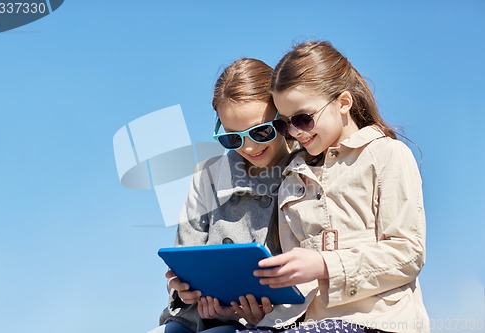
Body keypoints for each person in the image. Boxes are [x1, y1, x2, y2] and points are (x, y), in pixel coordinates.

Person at [240, 41, 430, 333]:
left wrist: (324, 264)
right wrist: (260, 308)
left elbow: (408, 254)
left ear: (343, 102)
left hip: (375, 321)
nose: (295, 132)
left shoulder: (387, 155)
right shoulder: (292, 173)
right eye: (285, 124)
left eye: (303, 119)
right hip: (301, 324)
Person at [150, 58, 292, 333]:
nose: (249, 148)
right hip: (192, 319)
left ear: (282, 117)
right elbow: (185, 253)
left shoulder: (301, 172)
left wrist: (266, 312)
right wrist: (181, 289)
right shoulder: (208, 175)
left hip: (263, 322)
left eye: (261, 132)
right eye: (233, 138)